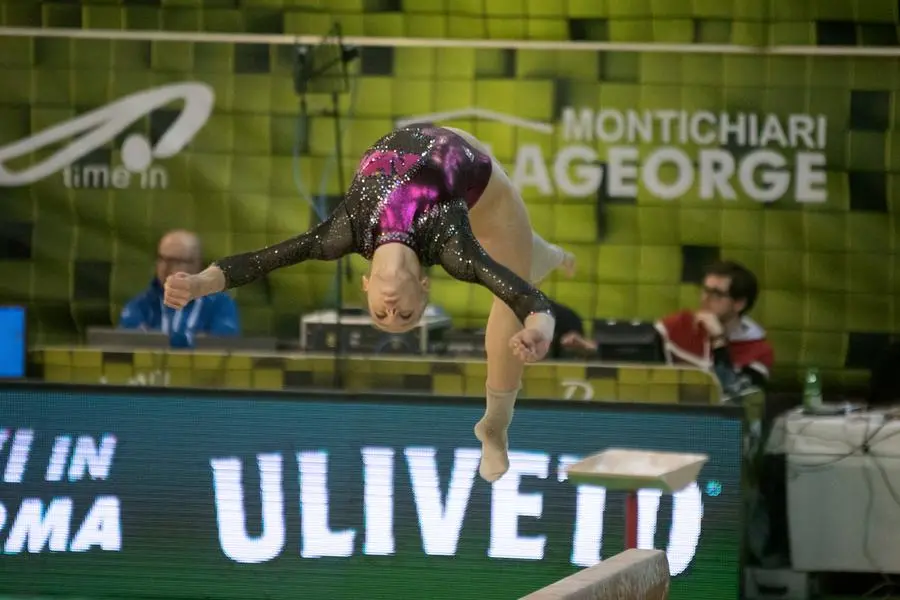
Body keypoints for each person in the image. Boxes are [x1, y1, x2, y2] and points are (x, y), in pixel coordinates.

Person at [162, 125, 574, 482]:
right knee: (508, 296)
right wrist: (539, 330)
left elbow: (258, 261)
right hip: (485, 190)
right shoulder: (451, 247)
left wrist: (200, 283)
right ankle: (496, 425)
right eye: (405, 315)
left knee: (520, 261)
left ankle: (544, 254)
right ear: (425, 289)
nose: (392, 309)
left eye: (382, 314)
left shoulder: (343, 233)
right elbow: (530, 300)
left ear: (366, 287)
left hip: (441, 143)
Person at [656, 260, 774, 392]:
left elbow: (734, 396)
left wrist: (718, 340)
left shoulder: (759, 352)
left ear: (739, 304)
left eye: (716, 294)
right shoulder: (678, 324)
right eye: (705, 290)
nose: (705, 299)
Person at [119, 229, 240, 348]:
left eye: (175, 261)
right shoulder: (140, 304)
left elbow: (221, 346)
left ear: (196, 265)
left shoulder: (220, 305)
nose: (165, 267)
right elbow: (130, 344)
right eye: (161, 259)